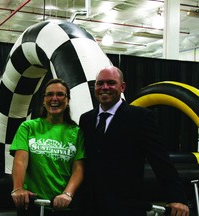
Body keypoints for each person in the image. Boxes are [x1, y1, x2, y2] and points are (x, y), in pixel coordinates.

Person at [79, 66, 190, 216]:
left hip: (125, 206)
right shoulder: (86, 119)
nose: (104, 87)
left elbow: (160, 159)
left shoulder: (141, 117)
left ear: (122, 87)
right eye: (100, 83)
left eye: (111, 83)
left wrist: (177, 197)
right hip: (91, 205)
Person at [10, 78, 85, 216]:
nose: (54, 98)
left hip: (63, 206)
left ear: (67, 100)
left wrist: (67, 194)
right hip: (31, 205)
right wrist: (18, 189)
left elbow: (78, 168)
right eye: (49, 94)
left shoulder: (77, 132)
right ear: (44, 100)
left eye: (60, 94)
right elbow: (20, 161)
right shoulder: (28, 127)